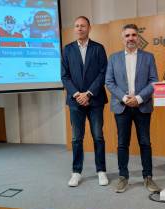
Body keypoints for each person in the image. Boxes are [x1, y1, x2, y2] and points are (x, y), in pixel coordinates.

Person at [105, 24, 159, 193]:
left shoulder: (148, 57)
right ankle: (123, 177)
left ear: (138, 37)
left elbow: (153, 81)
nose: (130, 38)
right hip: (122, 107)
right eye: (127, 35)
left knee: (145, 142)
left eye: (134, 35)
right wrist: (124, 97)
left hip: (142, 106)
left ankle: (148, 177)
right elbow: (109, 82)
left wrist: (139, 98)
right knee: (122, 143)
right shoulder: (113, 58)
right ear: (123, 38)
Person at [61, 16, 108, 187]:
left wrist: (88, 94)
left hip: (95, 100)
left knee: (98, 136)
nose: (79, 28)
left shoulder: (98, 48)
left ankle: (101, 171)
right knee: (76, 138)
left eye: (83, 26)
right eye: (77, 26)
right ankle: (76, 172)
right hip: (75, 102)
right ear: (74, 29)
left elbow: (103, 73)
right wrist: (76, 95)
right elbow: (64, 76)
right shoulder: (67, 49)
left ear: (89, 28)